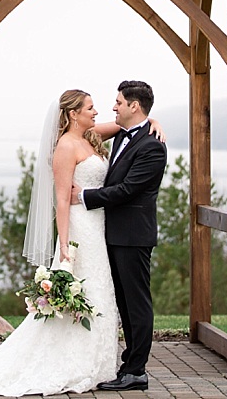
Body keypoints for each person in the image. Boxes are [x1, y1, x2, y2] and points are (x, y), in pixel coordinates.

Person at [0, 89, 160, 397]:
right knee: (85, 294)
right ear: (73, 114)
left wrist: (154, 121)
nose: (99, 112)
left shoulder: (89, 136)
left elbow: (130, 125)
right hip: (81, 228)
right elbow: (60, 201)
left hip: (101, 229)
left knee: (100, 297)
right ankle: (73, 364)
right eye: (91, 107)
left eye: (105, 106)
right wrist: (65, 245)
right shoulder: (66, 147)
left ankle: (98, 365)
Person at [73, 80, 167, 392]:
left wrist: (85, 196)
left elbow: (127, 191)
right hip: (113, 235)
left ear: (133, 106)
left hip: (133, 236)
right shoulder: (126, 135)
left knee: (137, 303)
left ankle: (137, 370)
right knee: (124, 303)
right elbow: (80, 133)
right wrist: (152, 120)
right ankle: (129, 364)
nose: (113, 107)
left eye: (118, 102)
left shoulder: (152, 146)